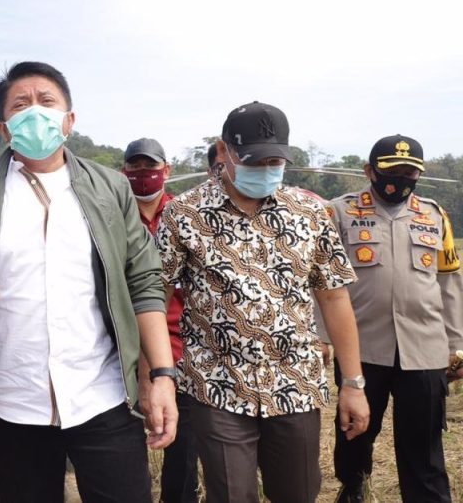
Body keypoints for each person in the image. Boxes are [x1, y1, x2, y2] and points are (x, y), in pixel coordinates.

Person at [0, 61, 176, 503]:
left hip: (103, 395)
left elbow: (144, 280)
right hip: (14, 402)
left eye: (47, 101)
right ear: (4, 126)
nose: (35, 112)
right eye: (21, 104)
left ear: (70, 119)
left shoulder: (109, 188)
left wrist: (161, 375)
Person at [155, 101, 370, 503]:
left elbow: (335, 296)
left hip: (296, 383)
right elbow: (156, 297)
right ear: (224, 153)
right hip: (217, 384)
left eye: (275, 160)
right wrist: (155, 375)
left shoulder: (310, 213)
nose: (266, 169)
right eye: (254, 160)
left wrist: (353, 384)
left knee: (299, 492)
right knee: (232, 493)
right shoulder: (184, 214)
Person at [325, 135, 462, 502]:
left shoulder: (434, 215)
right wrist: (322, 337)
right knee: (355, 433)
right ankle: (354, 488)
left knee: (424, 444)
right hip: (363, 346)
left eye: (410, 172)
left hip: (425, 348)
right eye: (393, 171)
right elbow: (321, 283)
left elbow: (449, 283)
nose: (401, 179)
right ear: (370, 171)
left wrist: (458, 344)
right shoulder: (339, 213)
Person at [123, 138, 198, 503]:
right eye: (134, 168)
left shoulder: (185, 216)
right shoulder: (112, 217)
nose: (142, 175)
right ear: (124, 172)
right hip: (123, 346)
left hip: (181, 347)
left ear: (166, 171)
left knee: (183, 444)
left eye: (150, 167)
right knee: (124, 439)